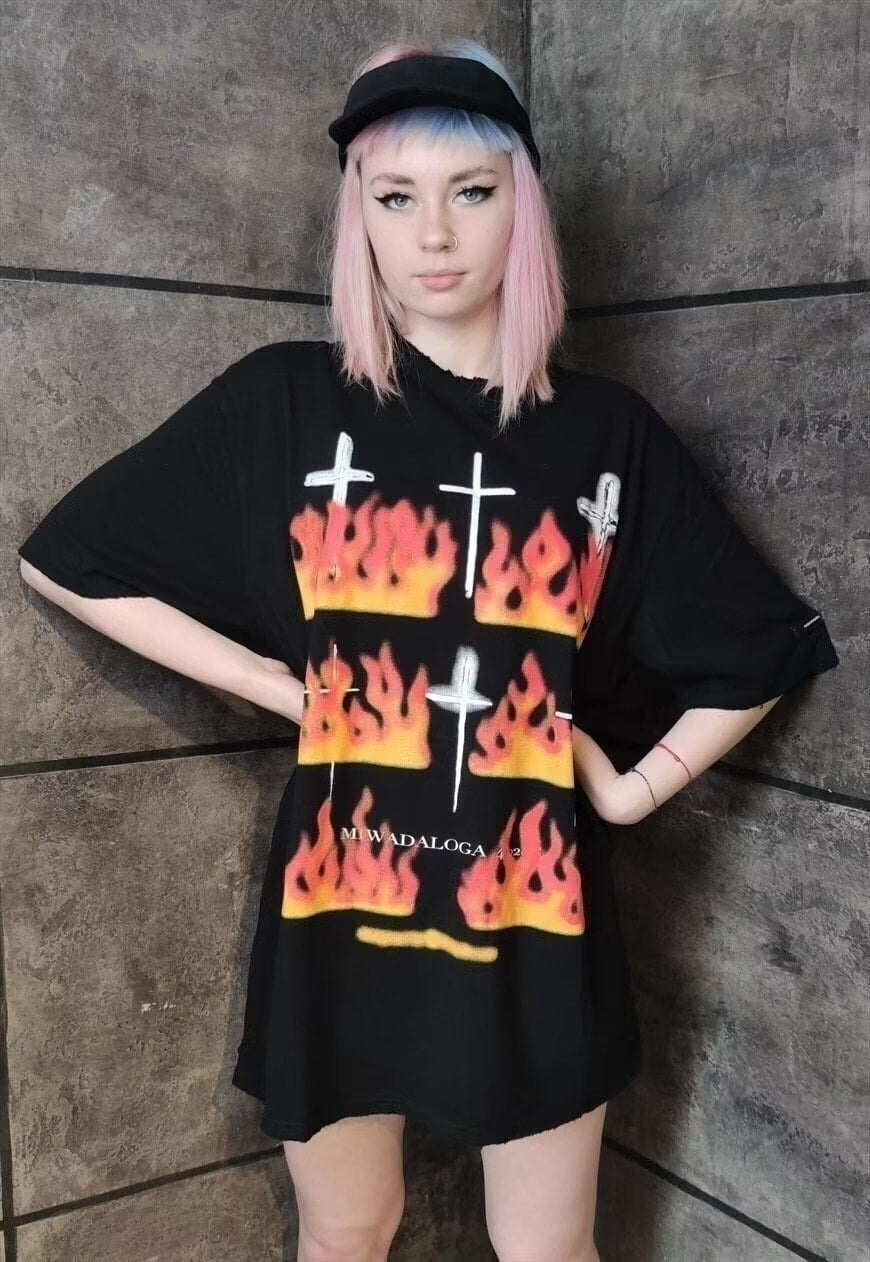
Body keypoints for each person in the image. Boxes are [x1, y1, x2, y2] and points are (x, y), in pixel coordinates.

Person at [17, 36, 839, 1262]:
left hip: (533, 901)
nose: (434, 236)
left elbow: (761, 642)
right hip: (345, 890)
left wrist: (629, 787)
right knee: (347, 1229)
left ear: (524, 205)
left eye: (472, 191)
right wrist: (273, 686)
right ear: (357, 213)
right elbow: (69, 555)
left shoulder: (604, 434)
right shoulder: (287, 403)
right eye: (395, 197)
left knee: (547, 1245)